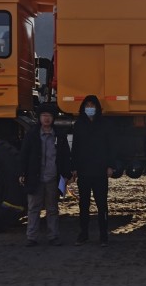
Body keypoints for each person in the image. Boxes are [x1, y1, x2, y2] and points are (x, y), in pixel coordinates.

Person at [17, 103, 72, 247]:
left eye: (49, 116)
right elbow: (24, 155)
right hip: (35, 177)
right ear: (39, 117)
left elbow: (65, 156)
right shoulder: (32, 135)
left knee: (52, 208)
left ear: (53, 118)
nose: (46, 118)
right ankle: (31, 237)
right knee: (33, 208)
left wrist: (66, 174)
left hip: (52, 178)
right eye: (43, 115)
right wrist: (22, 172)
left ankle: (53, 236)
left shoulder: (59, 136)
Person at [72, 95, 115, 246]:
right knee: (83, 205)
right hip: (84, 171)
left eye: (92, 105)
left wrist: (110, 166)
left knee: (102, 205)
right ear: (83, 108)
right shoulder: (79, 125)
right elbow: (75, 148)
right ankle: (83, 234)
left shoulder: (105, 125)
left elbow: (111, 147)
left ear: (97, 108)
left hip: (100, 171)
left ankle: (103, 236)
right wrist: (74, 168)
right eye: (87, 105)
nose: (90, 108)